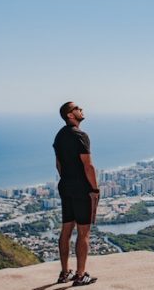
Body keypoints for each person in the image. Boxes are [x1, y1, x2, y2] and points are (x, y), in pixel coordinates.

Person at [53, 102, 100, 286]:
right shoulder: (81, 136)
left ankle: (64, 273)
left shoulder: (59, 136)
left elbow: (58, 164)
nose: (81, 110)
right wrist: (94, 189)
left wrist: (67, 179)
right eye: (77, 108)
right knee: (83, 233)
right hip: (82, 189)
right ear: (70, 115)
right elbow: (88, 166)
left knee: (66, 230)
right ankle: (80, 276)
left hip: (65, 186)